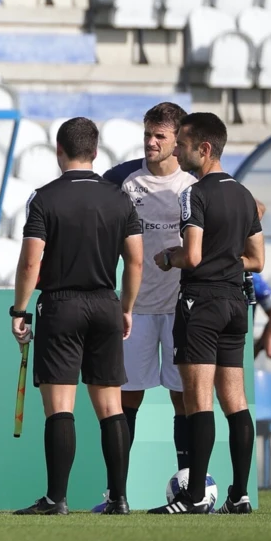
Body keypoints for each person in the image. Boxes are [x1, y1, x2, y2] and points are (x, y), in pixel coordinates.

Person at [10, 117, 144, 516]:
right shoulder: (119, 197)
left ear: (59, 151)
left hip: (61, 305)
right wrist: (126, 307)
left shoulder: (44, 198)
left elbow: (31, 260)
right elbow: (135, 260)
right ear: (96, 151)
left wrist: (20, 309)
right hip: (105, 302)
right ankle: (118, 498)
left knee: (61, 407)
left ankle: (56, 499)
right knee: (111, 408)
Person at [146, 112, 264, 515]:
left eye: (184, 144)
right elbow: (257, 259)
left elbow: (192, 256)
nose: (177, 150)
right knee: (236, 402)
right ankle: (241, 494)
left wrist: (167, 257)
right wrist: (226, 260)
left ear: (205, 149)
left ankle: (195, 495)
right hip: (235, 303)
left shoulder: (194, 194)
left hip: (202, 304)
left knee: (199, 403)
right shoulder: (245, 195)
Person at [90, 102, 194, 512]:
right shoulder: (124, 181)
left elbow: (244, 207)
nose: (150, 143)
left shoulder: (194, 181)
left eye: (160, 137)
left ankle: (188, 490)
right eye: (147, 134)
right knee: (125, 398)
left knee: (183, 399)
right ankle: (117, 494)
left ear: (178, 140)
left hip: (182, 309)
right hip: (137, 309)